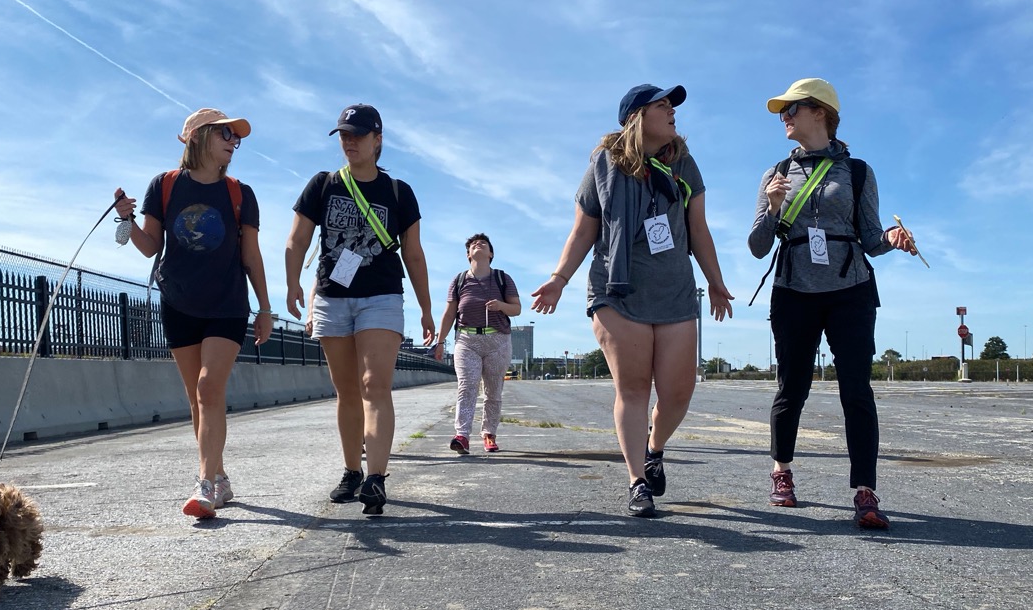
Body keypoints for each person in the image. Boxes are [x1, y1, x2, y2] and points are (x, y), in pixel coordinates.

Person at [531, 84, 733, 517]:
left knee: (678, 393)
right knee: (634, 387)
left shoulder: (683, 163)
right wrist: (559, 279)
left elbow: (699, 229)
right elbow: (583, 230)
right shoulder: (604, 166)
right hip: (617, 290)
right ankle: (637, 481)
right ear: (637, 117)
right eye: (663, 105)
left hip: (674, 290)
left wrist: (715, 282)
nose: (672, 112)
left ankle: (654, 448)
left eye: (672, 105)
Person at [749, 78, 917, 529]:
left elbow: (870, 238)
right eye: (782, 112)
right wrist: (774, 207)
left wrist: (892, 237)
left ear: (820, 112)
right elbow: (758, 247)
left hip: (851, 290)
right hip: (793, 291)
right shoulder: (775, 173)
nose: (784, 118)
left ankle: (865, 491)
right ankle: (782, 472)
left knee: (857, 390)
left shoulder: (858, 172)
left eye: (791, 109)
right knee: (792, 387)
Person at [114, 108, 274, 519]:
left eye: (236, 137)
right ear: (198, 137)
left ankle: (204, 485)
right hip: (178, 301)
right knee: (196, 398)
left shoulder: (240, 193)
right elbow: (150, 247)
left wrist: (265, 308)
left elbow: (251, 254)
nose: (233, 142)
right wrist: (127, 219)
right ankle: (219, 475)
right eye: (225, 134)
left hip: (227, 304)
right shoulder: (165, 185)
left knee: (208, 389)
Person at [285, 104, 435, 515]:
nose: (349, 141)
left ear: (377, 139)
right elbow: (297, 240)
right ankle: (352, 470)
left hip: (381, 296)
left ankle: (376, 478)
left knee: (374, 384)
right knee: (347, 390)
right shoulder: (323, 185)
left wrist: (426, 308)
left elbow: (414, 254)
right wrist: (293, 282)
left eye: (357, 135)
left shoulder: (398, 192)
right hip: (332, 296)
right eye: (343, 135)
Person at [434, 233, 521, 454]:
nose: (478, 244)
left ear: (490, 254)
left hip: (497, 341)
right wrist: (440, 341)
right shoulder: (459, 280)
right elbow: (449, 313)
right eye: (473, 244)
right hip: (467, 340)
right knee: (467, 386)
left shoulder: (503, 278)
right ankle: (462, 435)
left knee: (493, 391)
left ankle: (489, 433)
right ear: (468, 255)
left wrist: (501, 305)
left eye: (483, 243)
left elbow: (516, 309)